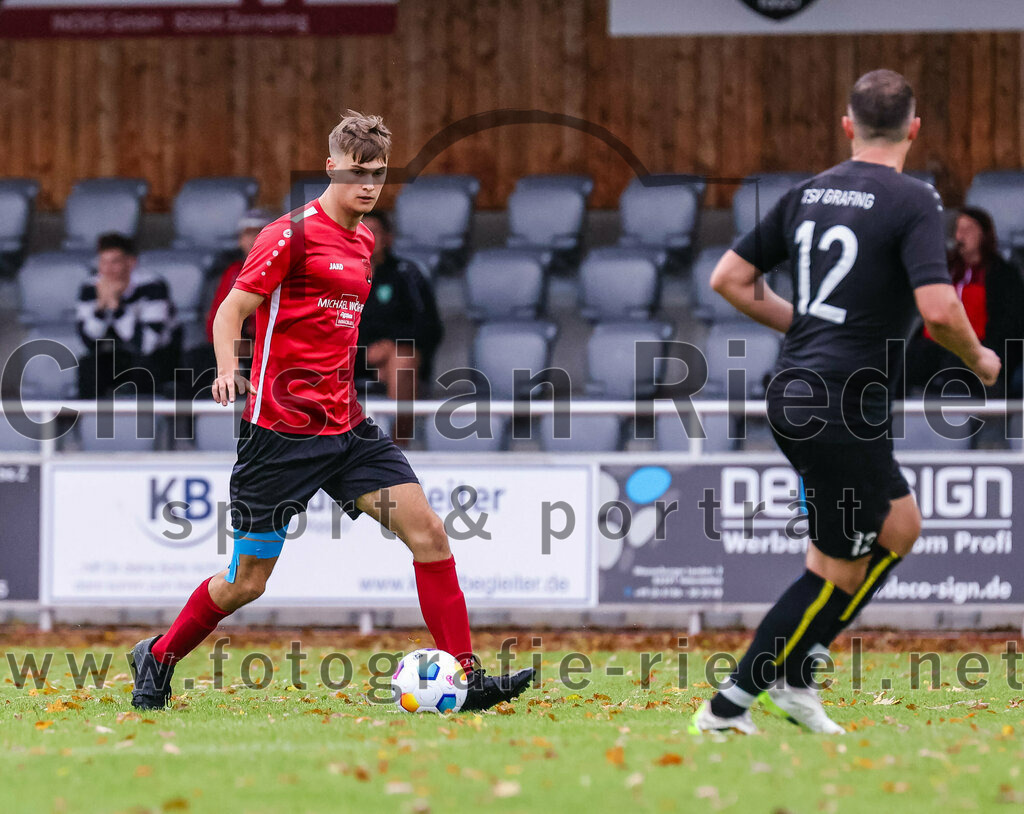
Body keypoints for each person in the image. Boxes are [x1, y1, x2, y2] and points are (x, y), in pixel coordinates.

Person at [128, 111, 534, 712]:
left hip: (347, 430)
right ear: (331, 167)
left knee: (429, 535)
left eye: (380, 173)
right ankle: (158, 656)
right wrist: (226, 368)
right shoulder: (287, 235)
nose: (369, 184)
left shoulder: (365, 240)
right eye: (358, 172)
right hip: (279, 437)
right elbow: (230, 312)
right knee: (247, 583)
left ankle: (466, 677)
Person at [696, 70, 1000, 735]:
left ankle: (796, 678)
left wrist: (805, 328)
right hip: (838, 405)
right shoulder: (913, 199)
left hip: (803, 394)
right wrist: (979, 358)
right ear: (914, 130)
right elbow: (939, 308)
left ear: (847, 125)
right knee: (837, 568)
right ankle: (730, 706)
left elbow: (729, 278)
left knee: (898, 528)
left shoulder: (808, 192)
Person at [904, 206, 1024, 398]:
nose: (961, 235)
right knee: (902, 362)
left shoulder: (1002, 274)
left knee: (955, 368)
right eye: (958, 229)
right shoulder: (945, 270)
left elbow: (1009, 324)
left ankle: (956, 424)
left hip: (978, 346)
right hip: (936, 344)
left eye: (968, 229)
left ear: (984, 235)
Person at [356, 211, 444, 441]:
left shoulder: (406, 275)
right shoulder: (337, 275)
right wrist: (366, 353)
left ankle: (397, 446)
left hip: (398, 362)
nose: (367, 237)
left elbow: (429, 328)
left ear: (388, 238)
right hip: (351, 359)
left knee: (402, 360)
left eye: (373, 231)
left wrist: (389, 346)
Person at [76, 233, 179, 400]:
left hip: (158, 356)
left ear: (131, 263)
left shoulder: (153, 286)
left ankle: (145, 423)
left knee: (143, 366)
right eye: (103, 262)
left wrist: (116, 307)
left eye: (115, 262)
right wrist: (100, 309)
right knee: (89, 365)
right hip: (117, 355)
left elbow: (146, 345)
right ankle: (88, 422)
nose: (107, 270)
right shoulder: (91, 287)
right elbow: (88, 340)